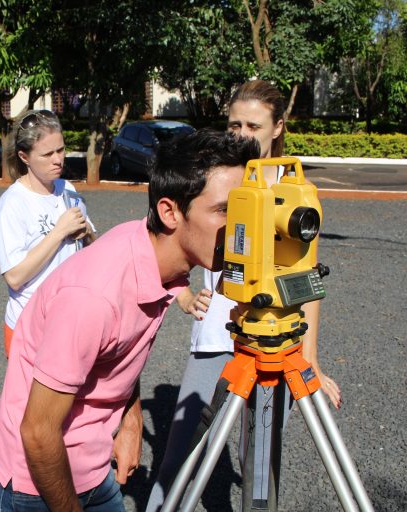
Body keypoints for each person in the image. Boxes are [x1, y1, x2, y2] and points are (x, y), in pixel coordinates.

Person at [0, 130, 261, 511]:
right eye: (225, 210)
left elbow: (117, 350)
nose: (243, 226)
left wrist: (131, 422)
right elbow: (37, 432)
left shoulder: (153, 253)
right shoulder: (93, 297)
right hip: (35, 482)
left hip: (93, 469)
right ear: (169, 212)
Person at [145, 79, 342, 512]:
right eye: (234, 124)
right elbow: (167, 234)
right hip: (218, 336)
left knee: (259, 463)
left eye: (254, 125)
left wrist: (309, 357)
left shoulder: (296, 194)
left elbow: (307, 278)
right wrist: (181, 293)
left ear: (278, 128)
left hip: (278, 339)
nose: (241, 134)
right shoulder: (218, 179)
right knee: (181, 453)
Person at [0, 109, 94, 357]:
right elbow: (15, 277)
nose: (58, 160)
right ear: (24, 157)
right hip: (29, 327)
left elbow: (92, 250)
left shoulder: (67, 188)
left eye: (61, 150)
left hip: (70, 322)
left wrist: (87, 232)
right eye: (47, 154)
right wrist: (58, 233)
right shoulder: (12, 204)